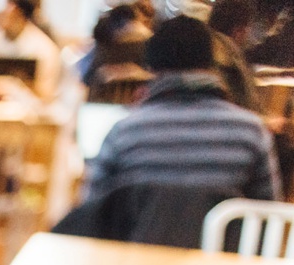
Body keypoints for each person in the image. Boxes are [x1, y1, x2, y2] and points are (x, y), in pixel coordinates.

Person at [84, 15, 279, 202]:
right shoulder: (251, 133)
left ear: (152, 68)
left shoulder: (124, 133)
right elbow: (266, 215)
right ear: (211, 64)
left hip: (138, 235)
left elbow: (93, 210)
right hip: (218, 237)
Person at [0, 0, 63, 102]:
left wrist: (20, 87)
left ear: (19, 12)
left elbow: (46, 94)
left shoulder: (44, 49)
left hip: (27, 112)